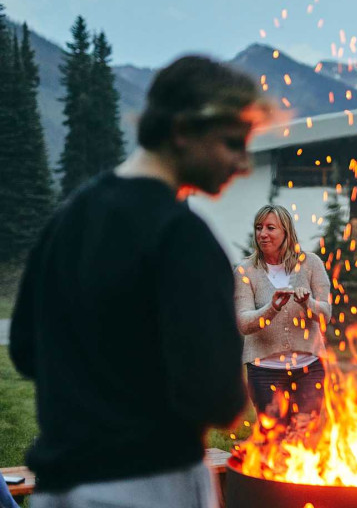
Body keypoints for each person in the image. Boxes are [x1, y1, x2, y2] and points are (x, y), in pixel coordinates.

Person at [9, 55, 269, 507]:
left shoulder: (68, 219)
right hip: (150, 486)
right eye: (232, 143)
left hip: (61, 487)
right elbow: (218, 398)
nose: (242, 164)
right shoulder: (181, 235)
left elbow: (27, 351)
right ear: (183, 130)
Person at [233, 204, 331, 421]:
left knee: (303, 436)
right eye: (259, 228)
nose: (263, 234)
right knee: (274, 440)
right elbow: (243, 322)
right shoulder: (245, 271)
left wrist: (308, 304)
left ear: (286, 232)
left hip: (309, 368)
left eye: (270, 228)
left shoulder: (311, 263)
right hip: (265, 371)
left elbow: (325, 314)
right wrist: (272, 308)